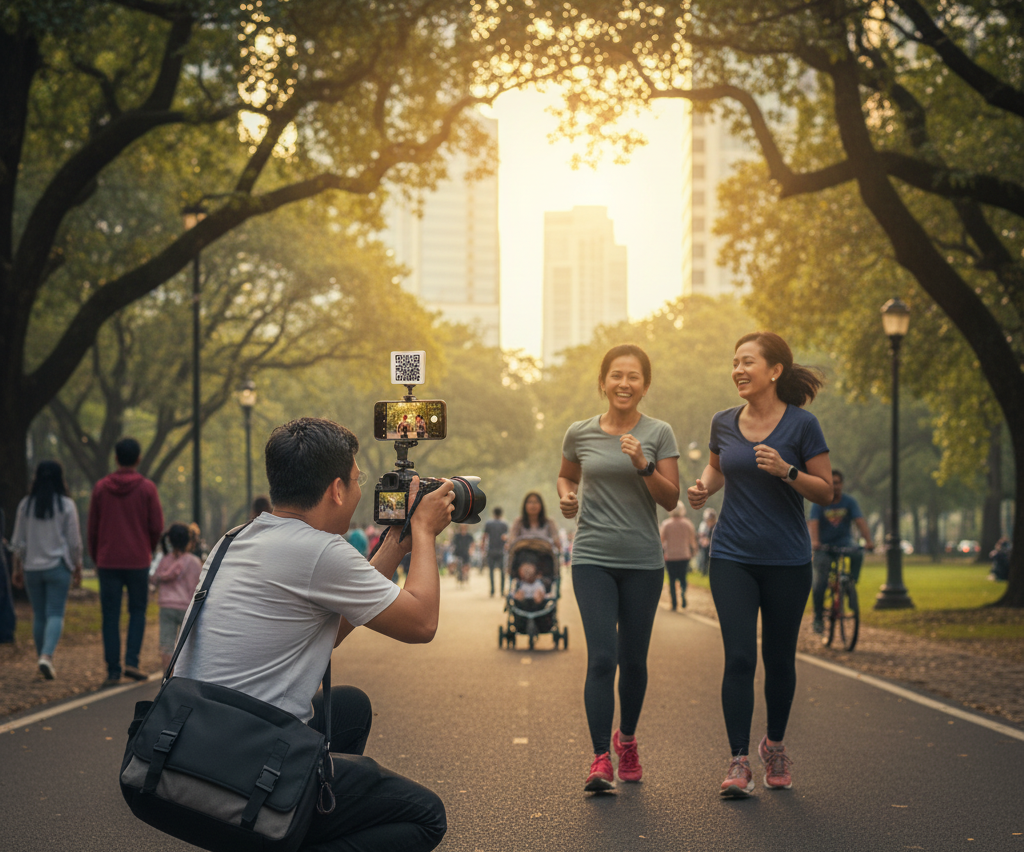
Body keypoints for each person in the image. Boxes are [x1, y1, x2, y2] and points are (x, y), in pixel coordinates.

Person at [174, 416, 452, 852]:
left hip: (188, 749)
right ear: (336, 489)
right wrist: (424, 531)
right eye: (357, 481)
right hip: (245, 769)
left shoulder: (235, 537)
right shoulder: (320, 551)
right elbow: (422, 622)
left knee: (349, 708)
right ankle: (277, 823)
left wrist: (396, 545)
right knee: (425, 816)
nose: (361, 493)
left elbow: (332, 630)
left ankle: (288, 824)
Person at [687, 331, 833, 797]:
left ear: (774, 371)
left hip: (788, 559)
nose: (738, 370)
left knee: (779, 659)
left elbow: (826, 491)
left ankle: (775, 745)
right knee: (740, 658)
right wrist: (703, 487)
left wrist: (788, 472)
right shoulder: (723, 422)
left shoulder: (803, 426)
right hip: (731, 555)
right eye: (734, 362)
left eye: (747, 361)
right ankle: (738, 761)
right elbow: (716, 467)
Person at [557, 343, 680, 792]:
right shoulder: (580, 432)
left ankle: (626, 739)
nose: (624, 384)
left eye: (633, 377)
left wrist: (642, 464)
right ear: (603, 382)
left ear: (644, 386)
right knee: (603, 657)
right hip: (592, 557)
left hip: (644, 561)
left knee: (633, 659)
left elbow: (671, 500)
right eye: (616, 375)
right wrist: (567, 495)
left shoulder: (659, 433)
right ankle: (599, 759)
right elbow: (566, 474)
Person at [87, 437, 164, 687]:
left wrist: (96, 555)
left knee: (110, 615)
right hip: (137, 559)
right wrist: (147, 549)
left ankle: (112, 669)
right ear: (138, 459)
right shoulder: (147, 489)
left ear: (116, 458)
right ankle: (132, 661)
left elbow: (92, 529)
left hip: (108, 559)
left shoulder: (101, 488)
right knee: (137, 611)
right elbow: (156, 526)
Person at [10, 461, 83, 679]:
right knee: (55, 613)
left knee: (39, 615)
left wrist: (17, 567)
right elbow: (74, 542)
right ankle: (46, 656)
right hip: (57, 567)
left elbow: (18, 541)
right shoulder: (66, 505)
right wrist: (77, 564)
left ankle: (41, 658)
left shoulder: (25, 505)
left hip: (32, 567)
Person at [808, 470, 875, 633]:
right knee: (820, 583)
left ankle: (850, 585)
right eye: (832, 482)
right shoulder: (820, 501)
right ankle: (818, 618)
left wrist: (868, 541)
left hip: (844, 542)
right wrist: (815, 541)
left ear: (842, 484)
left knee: (858, 553)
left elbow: (860, 521)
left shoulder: (849, 501)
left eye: (837, 482)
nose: (835, 486)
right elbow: (814, 522)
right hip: (824, 546)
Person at [150, 522, 203, 670]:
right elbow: (199, 585)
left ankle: (168, 677)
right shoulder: (194, 562)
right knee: (187, 645)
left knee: (167, 644)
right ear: (189, 540)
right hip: (187, 608)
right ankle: (184, 675)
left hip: (167, 606)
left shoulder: (165, 560)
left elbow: (154, 578)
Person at [660, 501, 697, 611]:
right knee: (683, 578)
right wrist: (693, 552)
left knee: (671, 580)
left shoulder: (666, 524)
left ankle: (674, 604)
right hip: (684, 556)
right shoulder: (688, 524)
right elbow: (692, 541)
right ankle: (683, 592)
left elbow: (661, 541)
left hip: (670, 557)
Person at [482, 507, 509, 597]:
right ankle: (502, 591)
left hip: (491, 550)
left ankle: (492, 591)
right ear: (501, 514)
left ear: (493, 513)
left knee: (491, 571)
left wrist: (483, 546)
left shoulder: (489, 524)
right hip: (501, 551)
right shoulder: (504, 524)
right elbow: (507, 537)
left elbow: (484, 536)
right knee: (502, 572)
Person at [696, 508, 717, 576]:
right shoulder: (704, 525)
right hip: (706, 545)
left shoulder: (716, 526)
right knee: (704, 558)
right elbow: (701, 535)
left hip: (714, 545)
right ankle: (703, 571)